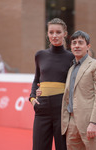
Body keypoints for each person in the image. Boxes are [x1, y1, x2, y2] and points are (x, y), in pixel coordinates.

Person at [29, 18, 74, 150]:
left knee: (63, 147)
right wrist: (32, 98)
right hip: (41, 109)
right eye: (51, 32)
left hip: (62, 109)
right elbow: (36, 79)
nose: (54, 36)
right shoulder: (40, 55)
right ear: (47, 34)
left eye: (58, 32)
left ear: (65, 34)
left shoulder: (71, 57)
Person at [61, 30, 96, 150]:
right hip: (71, 123)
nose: (77, 45)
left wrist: (94, 123)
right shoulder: (71, 68)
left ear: (88, 46)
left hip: (90, 123)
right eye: (74, 43)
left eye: (80, 43)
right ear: (70, 46)